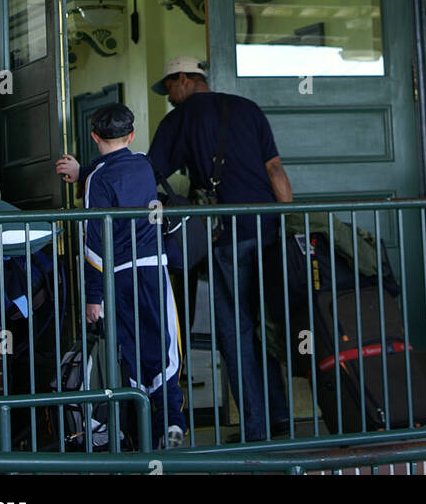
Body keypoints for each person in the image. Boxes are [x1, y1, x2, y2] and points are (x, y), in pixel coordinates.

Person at [147, 56, 293, 443]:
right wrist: (291, 220)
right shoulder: (247, 109)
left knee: (235, 330)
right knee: (267, 323)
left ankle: (255, 429)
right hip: (268, 229)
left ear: (184, 79)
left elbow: (150, 173)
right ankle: (279, 415)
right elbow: (275, 169)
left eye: (170, 90)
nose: (169, 98)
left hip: (227, 236)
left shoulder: (180, 120)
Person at [80, 102, 186, 450]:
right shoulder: (143, 164)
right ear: (133, 134)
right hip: (153, 266)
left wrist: (93, 295)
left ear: (94, 136)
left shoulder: (96, 178)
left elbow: (93, 242)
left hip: (118, 275)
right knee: (166, 350)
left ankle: (141, 437)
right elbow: (122, 164)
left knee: (130, 351)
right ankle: (170, 424)